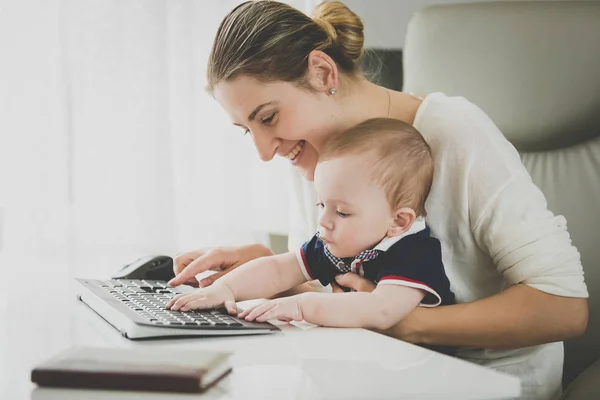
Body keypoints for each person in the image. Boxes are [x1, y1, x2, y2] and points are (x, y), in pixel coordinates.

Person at [167, 1, 588, 398]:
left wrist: (408, 322)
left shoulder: (454, 132)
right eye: (247, 129)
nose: (263, 150)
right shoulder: (313, 154)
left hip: (483, 382)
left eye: (268, 118)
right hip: (376, 374)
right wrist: (270, 267)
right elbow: (344, 290)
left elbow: (564, 308)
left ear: (322, 73)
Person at [166, 118, 455, 337]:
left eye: (342, 211)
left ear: (398, 221)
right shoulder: (338, 238)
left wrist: (304, 306)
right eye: (321, 205)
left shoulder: (414, 251)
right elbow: (280, 269)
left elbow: (380, 310)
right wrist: (224, 289)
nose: (324, 222)